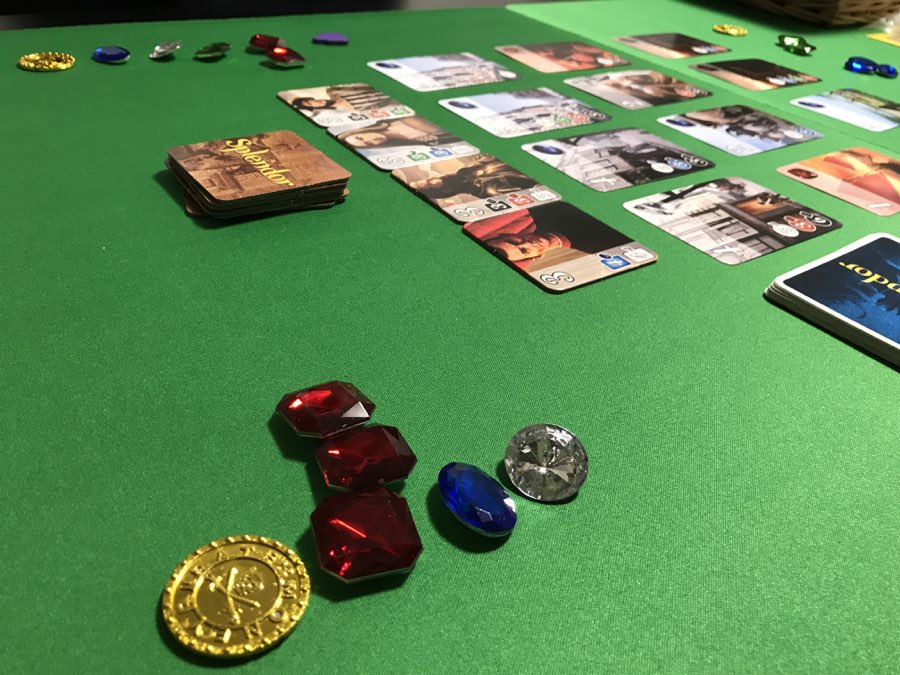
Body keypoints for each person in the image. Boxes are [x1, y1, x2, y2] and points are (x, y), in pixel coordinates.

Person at [409, 156, 538, 200]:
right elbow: (528, 187)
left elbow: (489, 157)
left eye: (428, 179)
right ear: (445, 191)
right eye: (431, 184)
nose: (432, 179)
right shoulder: (485, 191)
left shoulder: (465, 170)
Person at [335, 117, 458, 149]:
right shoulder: (420, 143)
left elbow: (416, 120)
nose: (372, 140)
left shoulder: (388, 121)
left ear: (362, 131)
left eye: (360, 137)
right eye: (369, 144)